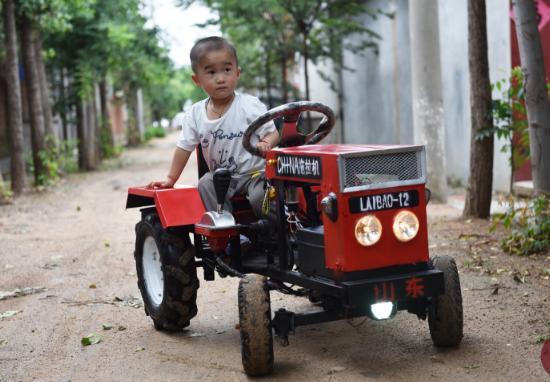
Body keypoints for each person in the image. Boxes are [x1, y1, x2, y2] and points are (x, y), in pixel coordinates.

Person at [147, 36, 279, 218]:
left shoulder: (250, 105)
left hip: (255, 175)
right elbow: (183, 148)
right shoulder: (195, 114)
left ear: (237, 73)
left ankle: (275, 236)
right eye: (211, 73)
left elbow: (273, 133)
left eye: (227, 70)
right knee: (205, 183)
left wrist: (266, 141)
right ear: (197, 79)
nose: (221, 79)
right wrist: (171, 179)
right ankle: (224, 228)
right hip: (222, 178)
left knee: (260, 199)